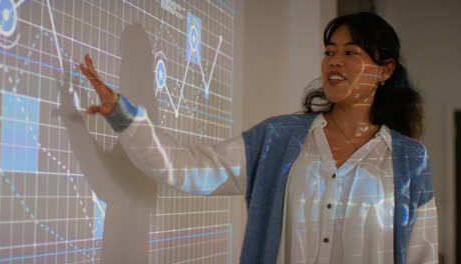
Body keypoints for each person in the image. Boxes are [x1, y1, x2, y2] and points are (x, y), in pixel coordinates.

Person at [78, 12, 437, 264]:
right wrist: (120, 114)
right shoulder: (278, 138)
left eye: (350, 53)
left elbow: (421, 252)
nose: (334, 62)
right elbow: (187, 167)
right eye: (329, 52)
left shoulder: (409, 158)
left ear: (385, 70)